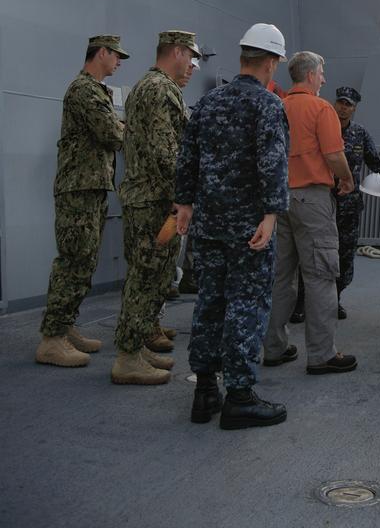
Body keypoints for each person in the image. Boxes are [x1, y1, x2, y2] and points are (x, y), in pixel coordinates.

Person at [175, 22, 289, 429]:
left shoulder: (208, 102)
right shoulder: (268, 105)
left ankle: (206, 391)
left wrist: (184, 204)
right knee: (247, 304)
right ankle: (239, 396)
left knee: (210, 301)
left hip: (208, 224)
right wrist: (271, 215)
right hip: (248, 227)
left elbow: (187, 156)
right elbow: (272, 164)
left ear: (243, 57)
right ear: (271, 62)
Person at [111, 30, 200, 386]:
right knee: (146, 278)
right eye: (190, 57)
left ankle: (136, 347)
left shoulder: (150, 86)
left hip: (151, 198)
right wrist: (185, 193)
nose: (192, 66)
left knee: (152, 277)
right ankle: (127, 357)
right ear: (176, 51)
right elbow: (166, 153)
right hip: (154, 201)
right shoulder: (160, 89)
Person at [35, 35, 127, 368]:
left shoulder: (95, 90)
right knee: (74, 260)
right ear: (101, 53)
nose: (119, 62)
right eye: (116, 55)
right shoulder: (84, 90)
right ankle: (52, 339)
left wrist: (119, 126)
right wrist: (129, 128)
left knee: (85, 261)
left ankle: (65, 326)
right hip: (79, 189)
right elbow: (111, 134)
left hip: (90, 187)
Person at [263, 51, 357, 374]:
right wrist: (346, 178)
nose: (324, 79)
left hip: (278, 201)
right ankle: (321, 354)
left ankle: (273, 347)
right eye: (322, 73)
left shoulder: (278, 106)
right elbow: (333, 154)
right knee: (320, 275)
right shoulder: (321, 108)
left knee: (281, 276)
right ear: (311, 75)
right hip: (312, 200)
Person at [332, 85, 380, 318]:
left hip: (349, 206)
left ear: (354, 108)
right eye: (340, 102)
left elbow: (375, 161)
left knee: (345, 254)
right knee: (314, 251)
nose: (343, 108)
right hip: (324, 202)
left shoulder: (360, 133)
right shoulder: (325, 127)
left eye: (348, 105)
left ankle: (335, 298)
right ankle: (302, 300)